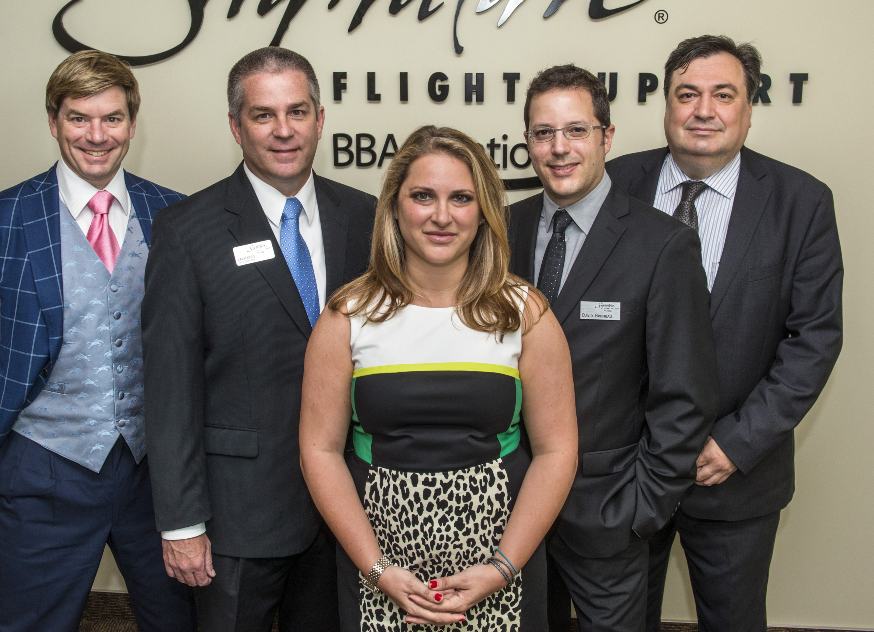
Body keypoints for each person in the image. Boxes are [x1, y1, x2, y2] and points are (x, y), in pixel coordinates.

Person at [0, 50, 194, 631]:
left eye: (112, 118)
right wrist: (43, 396)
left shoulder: (177, 214)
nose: (96, 135)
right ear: (53, 122)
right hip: (42, 470)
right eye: (78, 118)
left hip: (156, 474)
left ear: (132, 124)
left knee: (182, 621)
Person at [300, 125, 579, 631]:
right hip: (382, 565)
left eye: (462, 198)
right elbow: (319, 451)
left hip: (499, 563)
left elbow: (557, 452)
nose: (442, 216)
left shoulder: (524, 312)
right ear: (394, 206)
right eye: (423, 196)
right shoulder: (347, 315)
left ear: (485, 210)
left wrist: (502, 568)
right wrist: (378, 571)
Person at [607, 35, 843, 632]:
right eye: (687, 94)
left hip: (737, 477)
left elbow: (814, 339)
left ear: (749, 108)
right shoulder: (610, 185)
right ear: (666, 104)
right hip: (624, 470)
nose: (703, 110)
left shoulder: (801, 202)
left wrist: (738, 443)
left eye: (723, 94)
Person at [143, 46, 377, 632]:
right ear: (235, 126)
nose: (283, 130)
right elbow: (170, 386)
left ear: (320, 118)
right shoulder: (187, 230)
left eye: (297, 112)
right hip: (236, 519)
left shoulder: (369, 218)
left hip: (347, 511)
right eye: (263, 115)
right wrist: (181, 522)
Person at [507, 65, 720, 632]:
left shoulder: (663, 244)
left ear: (607, 137)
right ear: (528, 141)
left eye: (576, 130)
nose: (559, 148)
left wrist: (641, 509)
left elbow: (686, 395)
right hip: (507, 513)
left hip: (607, 516)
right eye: (544, 133)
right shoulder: (500, 231)